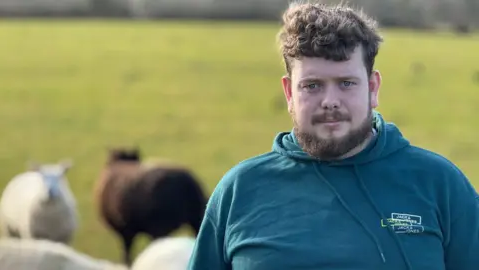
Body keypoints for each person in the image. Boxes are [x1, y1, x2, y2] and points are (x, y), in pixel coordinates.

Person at [187, 1, 479, 270]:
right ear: (289, 92)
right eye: (312, 85)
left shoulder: (440, 185)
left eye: (346, 83)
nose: (330, 101)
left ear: (373, 88)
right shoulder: (239, 192)